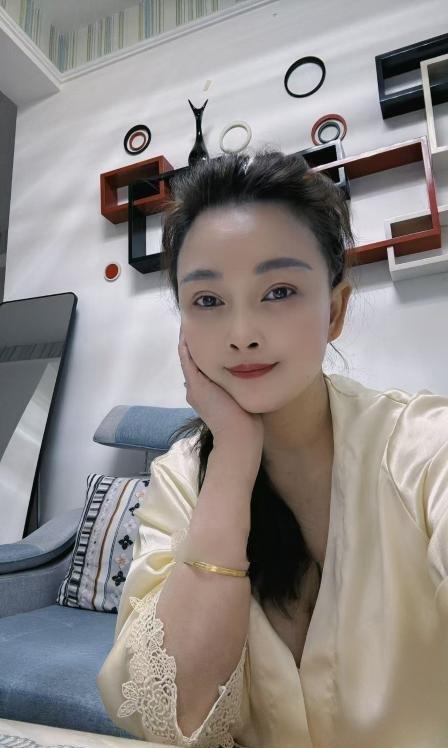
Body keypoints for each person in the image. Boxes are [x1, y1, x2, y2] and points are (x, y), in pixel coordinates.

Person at [97, 149, 448, 748]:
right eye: (208, 300)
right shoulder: (180, 477)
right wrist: (234, 457)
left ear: (334, 310)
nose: (242, 335)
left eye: (279, 290)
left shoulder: (421, 443)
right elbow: (165, 709)